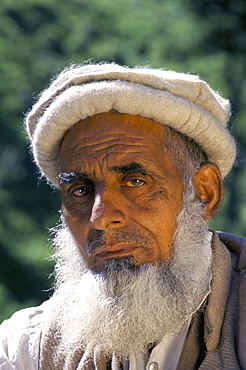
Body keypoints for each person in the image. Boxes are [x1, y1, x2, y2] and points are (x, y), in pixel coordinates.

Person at [0, 63, 245, 370]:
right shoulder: (29, 348)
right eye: (80, 190)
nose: (100, 219)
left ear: (204, 194)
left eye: (135, 182)